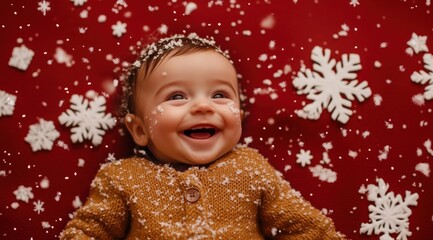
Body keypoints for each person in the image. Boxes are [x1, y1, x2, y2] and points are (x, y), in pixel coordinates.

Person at [60, 33, 345, 239]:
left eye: (219, 94)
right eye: (177, 96)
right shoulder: (122, 178)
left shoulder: (251, 169)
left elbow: (308, 229)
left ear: (240, 116)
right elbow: (87, 232)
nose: (203, 106)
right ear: (139, 130)